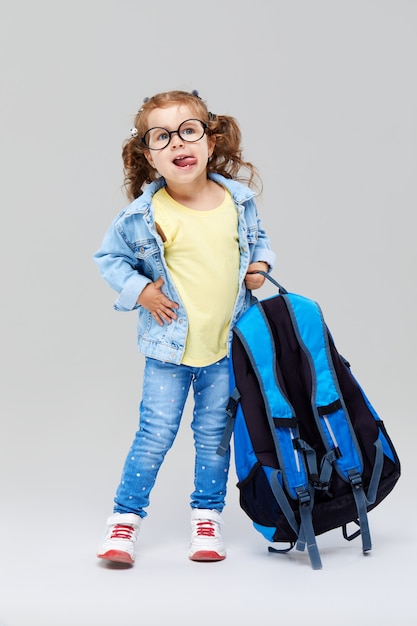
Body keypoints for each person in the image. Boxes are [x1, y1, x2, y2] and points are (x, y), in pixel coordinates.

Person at [94, 89, 275, 565]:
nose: (178, 142)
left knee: (214, 436)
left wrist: (259, 265)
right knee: (154, 434)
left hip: (225, 348)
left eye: (188, 131)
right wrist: (142, 292)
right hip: (168, 351)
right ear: (149, 156)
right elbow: (110, 260)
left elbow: (261, 242)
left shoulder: (237, 201)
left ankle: (206, 518)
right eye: (162, 136)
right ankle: (124, 520)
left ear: (210, 141)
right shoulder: (144, 214)